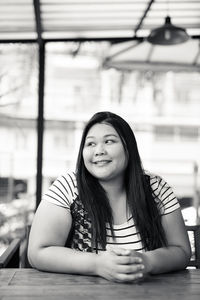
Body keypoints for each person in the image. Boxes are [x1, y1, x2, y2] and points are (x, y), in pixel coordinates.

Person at [28, 111, 191, 283]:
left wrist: (146, 261)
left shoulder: (155, 187)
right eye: (90, 143)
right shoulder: (68, 186)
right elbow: (38, 252)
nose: (99, 151)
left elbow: (181, 251)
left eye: (109, 141)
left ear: (128, 148)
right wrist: (98, 264)